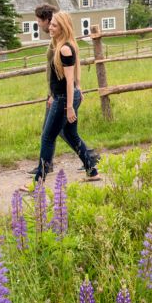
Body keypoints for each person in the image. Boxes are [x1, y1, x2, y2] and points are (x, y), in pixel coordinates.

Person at [24, 10, 100, 190]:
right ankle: (92, 171)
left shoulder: (65, 48)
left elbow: (69, 80)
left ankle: (38, 182)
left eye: (54, 25)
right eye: (50, 24)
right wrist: (55, 95)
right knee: (72, 135)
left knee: (47, 138)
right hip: (61, 97)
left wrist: (69, 107)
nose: (50, 27)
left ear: (63, 27)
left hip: (64, 99)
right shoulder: (59, 45)